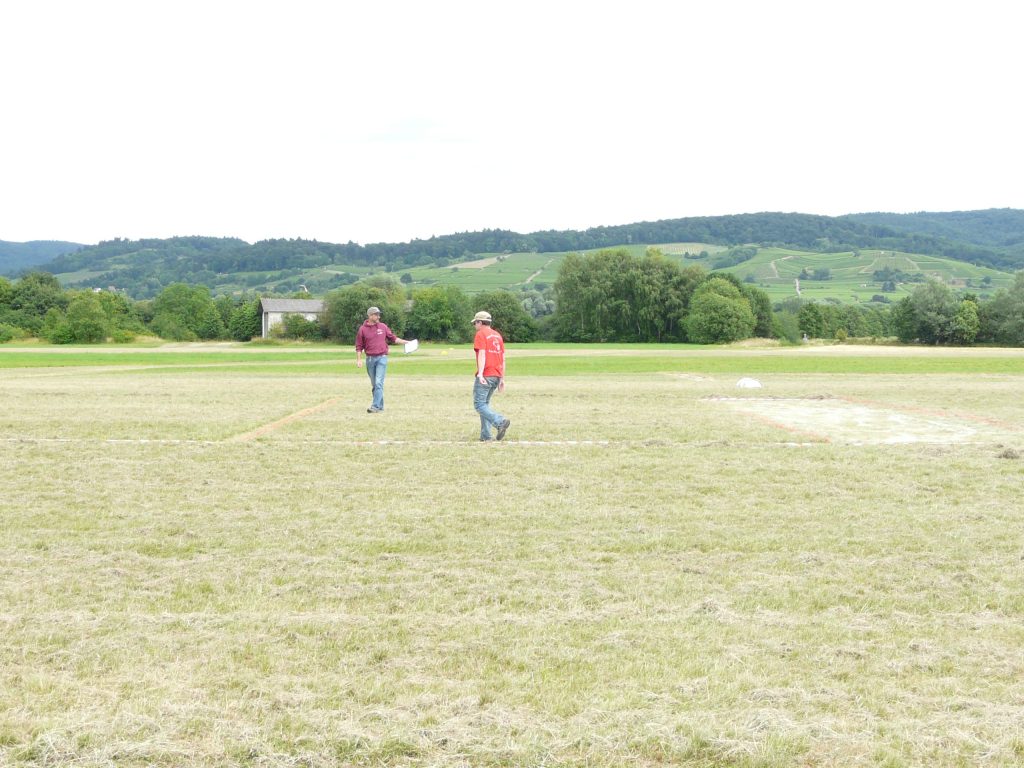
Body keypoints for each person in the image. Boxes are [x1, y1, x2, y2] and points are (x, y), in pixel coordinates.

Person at [355, 306, 410, 413]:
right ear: (370, 316)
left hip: (382, 358)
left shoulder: (383, 326)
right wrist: (359, 359)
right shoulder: (362, 329)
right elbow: (359, 346)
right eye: (376, 314)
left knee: (379, 383)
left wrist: (406, 342)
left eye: (379, 314)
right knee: (375, 385)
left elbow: (393, 338)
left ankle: (375, 406)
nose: (378, 316)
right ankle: (380, 406)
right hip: (370, 360)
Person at [472, 310, 511, 441]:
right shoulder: (497, 335)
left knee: (479, 405)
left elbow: (482, 354)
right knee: (485, 404)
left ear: (479, 322)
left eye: (475, 323)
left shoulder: (480, 334)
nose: (474, 326)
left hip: (486, 374)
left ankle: (500, 422)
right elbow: (503, 358)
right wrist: (502, 378)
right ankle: (486, 436)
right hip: (496, 374)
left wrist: (481, 374)